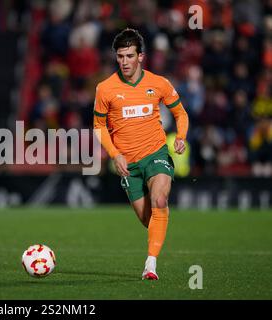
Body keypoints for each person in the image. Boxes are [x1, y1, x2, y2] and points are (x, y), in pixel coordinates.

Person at [93, 29, 189, 280]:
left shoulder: (159, 83)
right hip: (127, 163)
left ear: (141, 57)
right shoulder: (105, 89)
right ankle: (159, 230)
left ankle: (150, 265)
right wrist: (115, 154)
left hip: (155, 152)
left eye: (129, 56)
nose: (124, 61)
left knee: (159, 201)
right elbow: (99, 126)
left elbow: (180, 113)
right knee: (149, 219)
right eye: (120, 56)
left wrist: (180, 137)